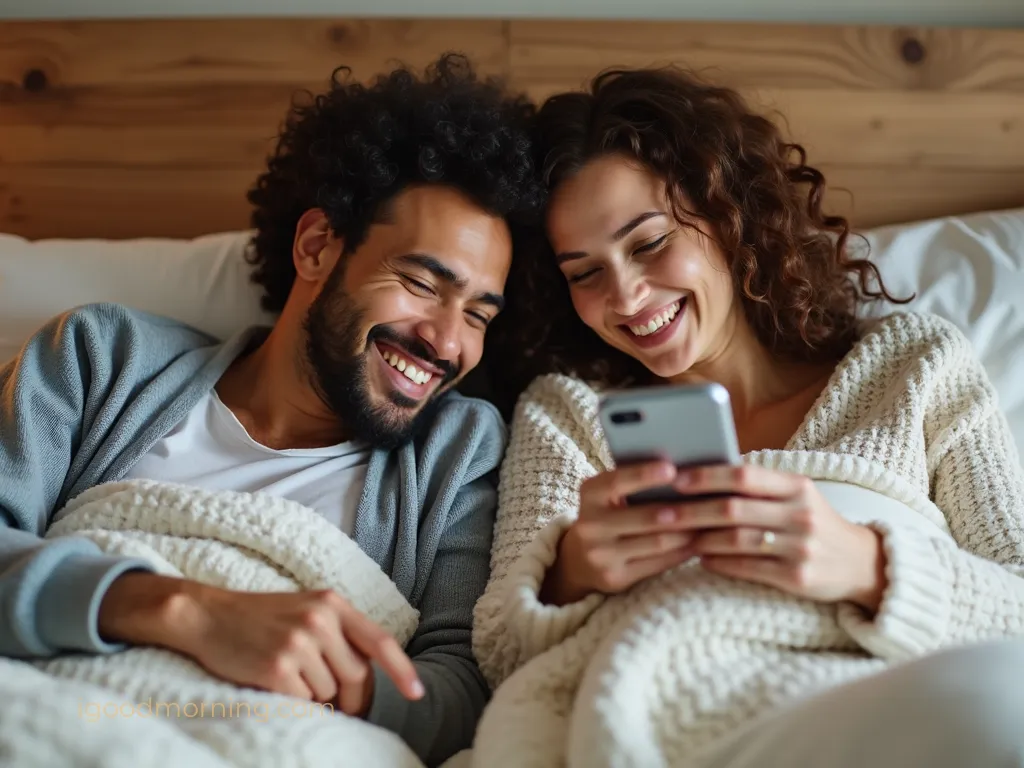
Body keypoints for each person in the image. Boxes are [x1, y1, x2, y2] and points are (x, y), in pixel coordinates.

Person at [0, 53, 543, 767]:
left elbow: (458, 691)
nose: (447, 340)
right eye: (419, 281)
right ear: (317, 246)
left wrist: (313, 673)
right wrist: (184, 612)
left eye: (478, 314)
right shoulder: (101, 359)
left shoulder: (458, 451)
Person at [473, 65, 1024, 767]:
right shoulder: (571, 410)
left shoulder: (916, 367)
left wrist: (869, 567)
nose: (628, 295)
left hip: (881, 705)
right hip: (659, 710)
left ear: (727, 214)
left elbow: (1018, 606)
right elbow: (495, 651)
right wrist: (574, 571)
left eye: (648, 244)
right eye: (585, 273)